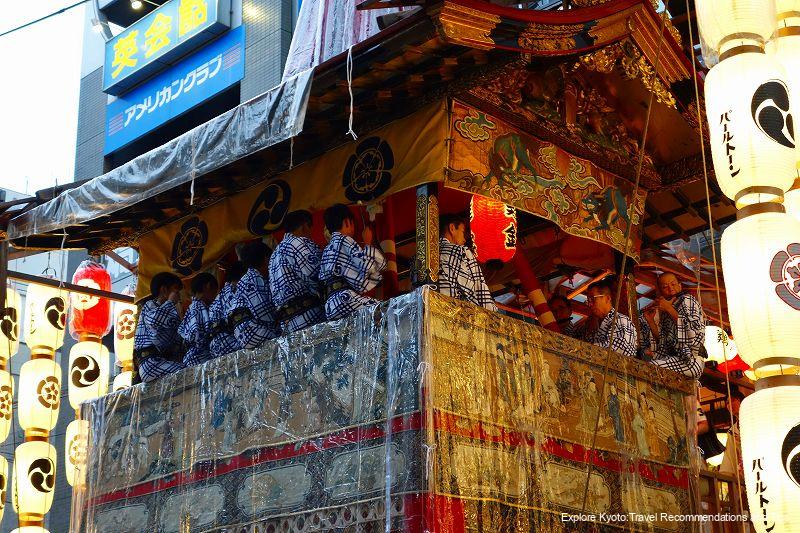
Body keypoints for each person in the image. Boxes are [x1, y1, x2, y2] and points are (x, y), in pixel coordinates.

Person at [318, 203, 387, 320]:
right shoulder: (345, 239)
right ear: (347, 222)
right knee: (385, 309)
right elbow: (368, 267)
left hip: (329, 306)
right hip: (344, 298)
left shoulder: (326, 250)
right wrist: (368, 243)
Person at [269, 210, 325, 333]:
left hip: (287, 323)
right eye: (310, 229)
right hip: (307, 317)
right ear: (305, 226)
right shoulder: (297, 243)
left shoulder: (274, 255)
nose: (310, 234)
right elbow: (316, 275)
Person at [644, 272, 706, 379]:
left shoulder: (687, 299)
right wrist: (650, 321)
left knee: (650, 368)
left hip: (690, 361)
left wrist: (669, 308)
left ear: (680, 285)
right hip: (677, 360)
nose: (670, 288)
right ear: (661, 292)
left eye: (673, 284)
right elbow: (663, 343)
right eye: (665, 287)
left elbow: (692, 334)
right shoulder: (665, 311)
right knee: (648, 364)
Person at [133, 272, 186, 383]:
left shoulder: (171, 312)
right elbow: (154, 321)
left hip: (164, 362)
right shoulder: (150, 305)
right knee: (187, 371)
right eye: (176, 290)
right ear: (164, 290)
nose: (178, 295)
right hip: (151, 363)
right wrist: (171, 301)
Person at [438, 213, 497, 311]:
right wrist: (492, 313)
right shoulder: (461, 251)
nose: (465, 239)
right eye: (462, 232)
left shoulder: (425, 255)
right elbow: (479, 288)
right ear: (452, 228)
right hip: (458, 312)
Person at [230, 241, 280, 349]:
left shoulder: (249, 278)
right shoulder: (252, 280)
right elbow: (262, 310)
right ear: (267, 258)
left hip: (244, 334)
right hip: (251, 331)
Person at [581, 281, 638, 358]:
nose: (589, 304)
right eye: (588, 301)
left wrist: (583, 348)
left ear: (607, 298)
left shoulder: (621, 320)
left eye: (592, 299)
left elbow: (620, 351)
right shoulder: (590, 326)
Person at [179, 272, 219, 366]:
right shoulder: (197, 306)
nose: (214, 297)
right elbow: (196, 336)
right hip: (198, 357)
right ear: (208, 287)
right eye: (214, 292)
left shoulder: (193, 307)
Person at [209, 261, 246, 357]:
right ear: (243, 274)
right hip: (233, 345)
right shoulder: (239, 290)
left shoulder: (218, 297)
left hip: (215, 350)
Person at [719, 387, 745, 477]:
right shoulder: (732, 431)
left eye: (732, 400)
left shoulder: (753, 421)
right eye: (727, 403)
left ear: (742, 401)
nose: (729, 405)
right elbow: (730, 455)